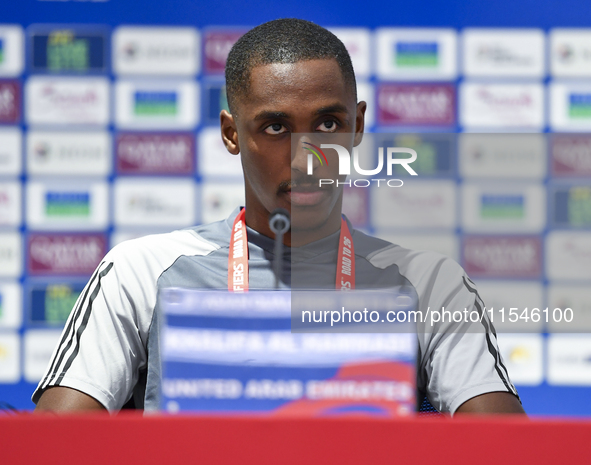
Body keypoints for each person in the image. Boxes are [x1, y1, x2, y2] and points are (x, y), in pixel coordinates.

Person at [33, 18, 524, 415]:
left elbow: (508, 451)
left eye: (328, 123)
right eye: (275, 127)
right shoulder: (140, 271)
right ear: (231, 134)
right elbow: (49, 448)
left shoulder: (431, 283)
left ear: (357, 127)